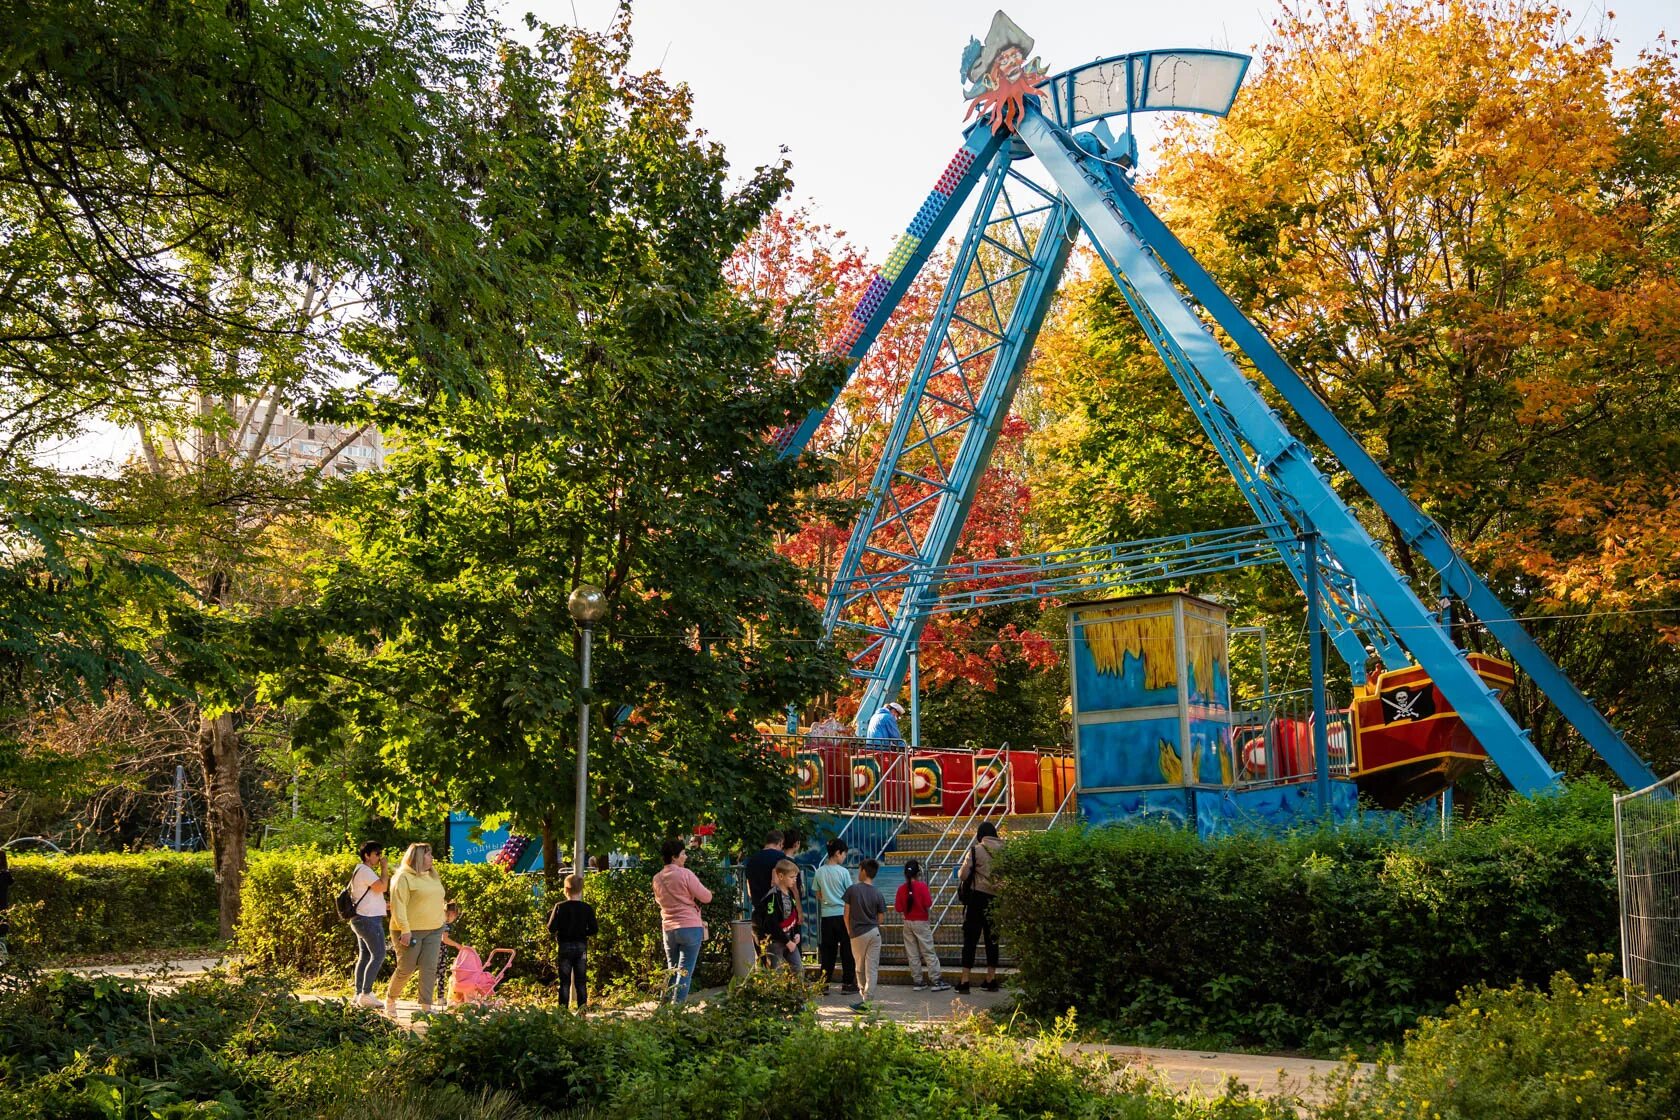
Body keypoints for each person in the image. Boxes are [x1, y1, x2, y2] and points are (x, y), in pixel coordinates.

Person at [385, 842, 448, 1017]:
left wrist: (441, 922)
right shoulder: (402, 877)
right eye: (428, 854)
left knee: (429, 967)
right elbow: (398, 906)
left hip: (434, 929)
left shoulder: (433, 876)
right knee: (406, 968)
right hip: (409, 930)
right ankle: (390, 1000)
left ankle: (426, 1007)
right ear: (418, 858)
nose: (431, 858)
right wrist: (405, 930)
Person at [652, 838, 713, 1003]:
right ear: (674, 857)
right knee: (685, 972)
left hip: (668, 928)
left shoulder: (657, 878)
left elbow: (660, 901)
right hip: (689, 927)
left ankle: (663, 1009)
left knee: (672, 970)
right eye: (683, 854)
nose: (685, 857)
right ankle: (677, 1011)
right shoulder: (685, 874)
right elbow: (706, 897)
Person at [954, 822, 1005, 994]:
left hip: (977, 899)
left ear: (980, 835)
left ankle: (965, 980)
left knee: (970, 939)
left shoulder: (976, 850)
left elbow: (963, 875)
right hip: (996, 899)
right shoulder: (1004, 851)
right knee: (992, 939)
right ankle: (990, 979)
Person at [895, 859, 950, 992]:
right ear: (918, 873)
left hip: (907, 923)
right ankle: (936, 980)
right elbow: (928, 903)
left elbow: (898, 908)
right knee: (928, 951)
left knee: (912, 953)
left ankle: (918, 981)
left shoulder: (901, 889)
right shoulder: (922, 886)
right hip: (921, 922)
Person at [547, 873, 598, 1011]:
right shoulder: (586, 908)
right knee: (581, 981)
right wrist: (582, 933)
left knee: (564, 981)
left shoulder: (559, 907)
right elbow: (594, 929)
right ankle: (582, 1010)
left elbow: (551, 928)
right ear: (581, 889)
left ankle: (563, 1011)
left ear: (565, 889)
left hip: (564, 946)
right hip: (581, 946)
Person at [346, 841, 389, 1008]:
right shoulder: (365, 870)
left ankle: (359, 994)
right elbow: (382, 887)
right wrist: (384, 869)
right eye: (377, 854)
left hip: (363, 918)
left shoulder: (360, 870)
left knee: (365, 956)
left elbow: (370, 895)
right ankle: (366, 993)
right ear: (367, 855)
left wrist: (382, 905)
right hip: (368, 920)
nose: (379, 857)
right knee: (379, 954)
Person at [812, 839, 857, 995]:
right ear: (838, 853)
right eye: (844, 854)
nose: (844, 857)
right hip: (843, 915)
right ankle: (848, 984)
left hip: (826, 916)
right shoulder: (843, 872)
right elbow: (850, 893)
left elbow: (818, 894)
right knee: (846, 951)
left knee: (828, 952)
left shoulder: (819, 872)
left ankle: (824, 985)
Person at [842, 858, 886, 1011]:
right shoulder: (878, 893)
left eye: (859, 869)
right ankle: (868, 1000)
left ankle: (863, 998)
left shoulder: (852, 890)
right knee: (872, 968)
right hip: (874, 933)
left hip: (858, 934)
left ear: (863, 871)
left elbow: (846, 914)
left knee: (860, 968)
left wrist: (849, 931)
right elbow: (881, 918)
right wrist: (873, 925)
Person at [754, 859, 803, 975]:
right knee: (777, 972)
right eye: (791, 877)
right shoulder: (773, 897)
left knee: (798, 969)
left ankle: (796, 992)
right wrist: (787, 942)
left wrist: (796, 933)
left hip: (789, 938)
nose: (794, 880)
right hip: (775, 941)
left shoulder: (790, 895)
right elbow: (771, 924)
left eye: (795, 877)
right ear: (781, 876)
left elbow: (793, 916)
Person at [742, 829, 785, 913]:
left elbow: (748, 883)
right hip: (774, 905)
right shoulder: (780, 857)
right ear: (780, 842)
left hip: (758, 905)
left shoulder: (752, 859)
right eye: (782, 845)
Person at [435, 901, 462, 1005]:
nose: (453, 920)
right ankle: (440, 998)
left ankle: (425, 996)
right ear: (452, 914)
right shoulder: (446, 925)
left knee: (431, 974)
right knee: (441, 973)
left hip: (432, 948)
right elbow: (444, 939)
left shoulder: (438, 920)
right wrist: (457, 945)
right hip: (440, 950)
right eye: (454, 917)